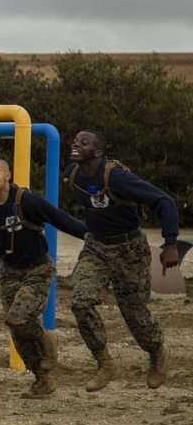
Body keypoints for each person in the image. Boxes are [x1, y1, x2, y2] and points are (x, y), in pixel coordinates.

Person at [0, 158, 86, 399]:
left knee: (19, 318)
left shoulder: (27, 200)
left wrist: (91, 235)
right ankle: (42, 380)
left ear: (7, 176)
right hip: (9, 273)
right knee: (16, 329)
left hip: (37, 269)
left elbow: (60, 218)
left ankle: (48, 338)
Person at [64, 130, 178, 392]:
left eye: (84, 142)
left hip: (129, 249)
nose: (76, 144)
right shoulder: (71, 173)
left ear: (98, 152)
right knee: (81, 302)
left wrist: (170, 243)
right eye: (76, 140)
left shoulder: (115, 177)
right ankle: (105, 364)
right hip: (96, 247)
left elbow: (164, 201)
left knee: (134, 313)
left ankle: (158, 351)